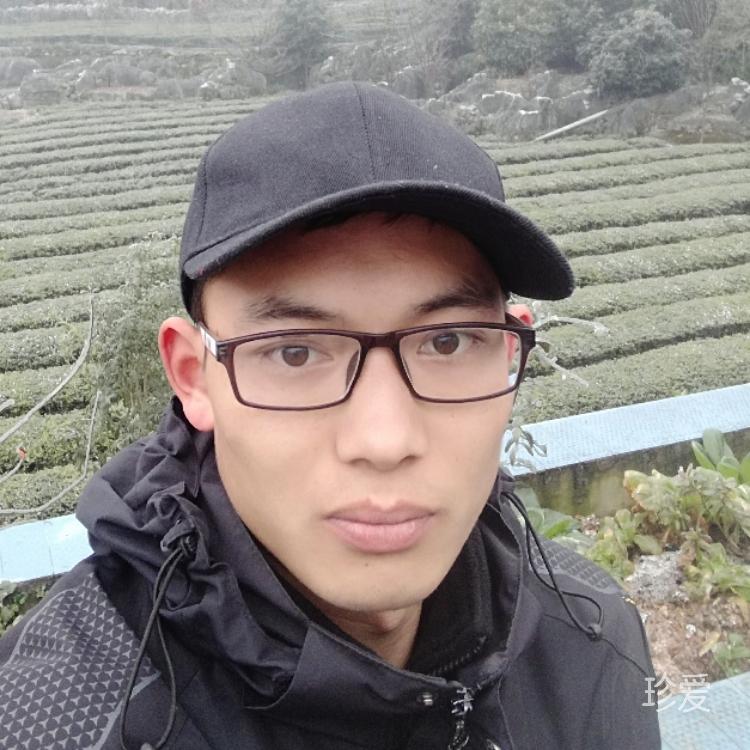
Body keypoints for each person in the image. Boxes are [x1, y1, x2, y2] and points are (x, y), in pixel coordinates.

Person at [0, 82, 660, 750]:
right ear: (193, 377)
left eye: (447, 343)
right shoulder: (50, 724)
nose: (385, 440)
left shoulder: (593, 639)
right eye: (294, 352)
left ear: (509, 353)